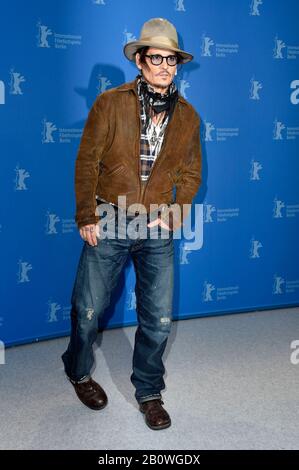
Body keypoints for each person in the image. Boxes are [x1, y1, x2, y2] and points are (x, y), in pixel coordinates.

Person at [61, 17, 202, 431]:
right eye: (156, 57)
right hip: (109, 218)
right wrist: (87, 214)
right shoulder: (110, 103)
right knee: (87, 310)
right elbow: (87, 161)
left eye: (171, 59)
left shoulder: (189, 117)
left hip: (156, 228)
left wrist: (175, 213)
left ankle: (149, 392)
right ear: (140, 61)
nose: (164, 66)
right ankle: (78, 370)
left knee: (157, 318)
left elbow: (191, 174)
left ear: (177, 64)